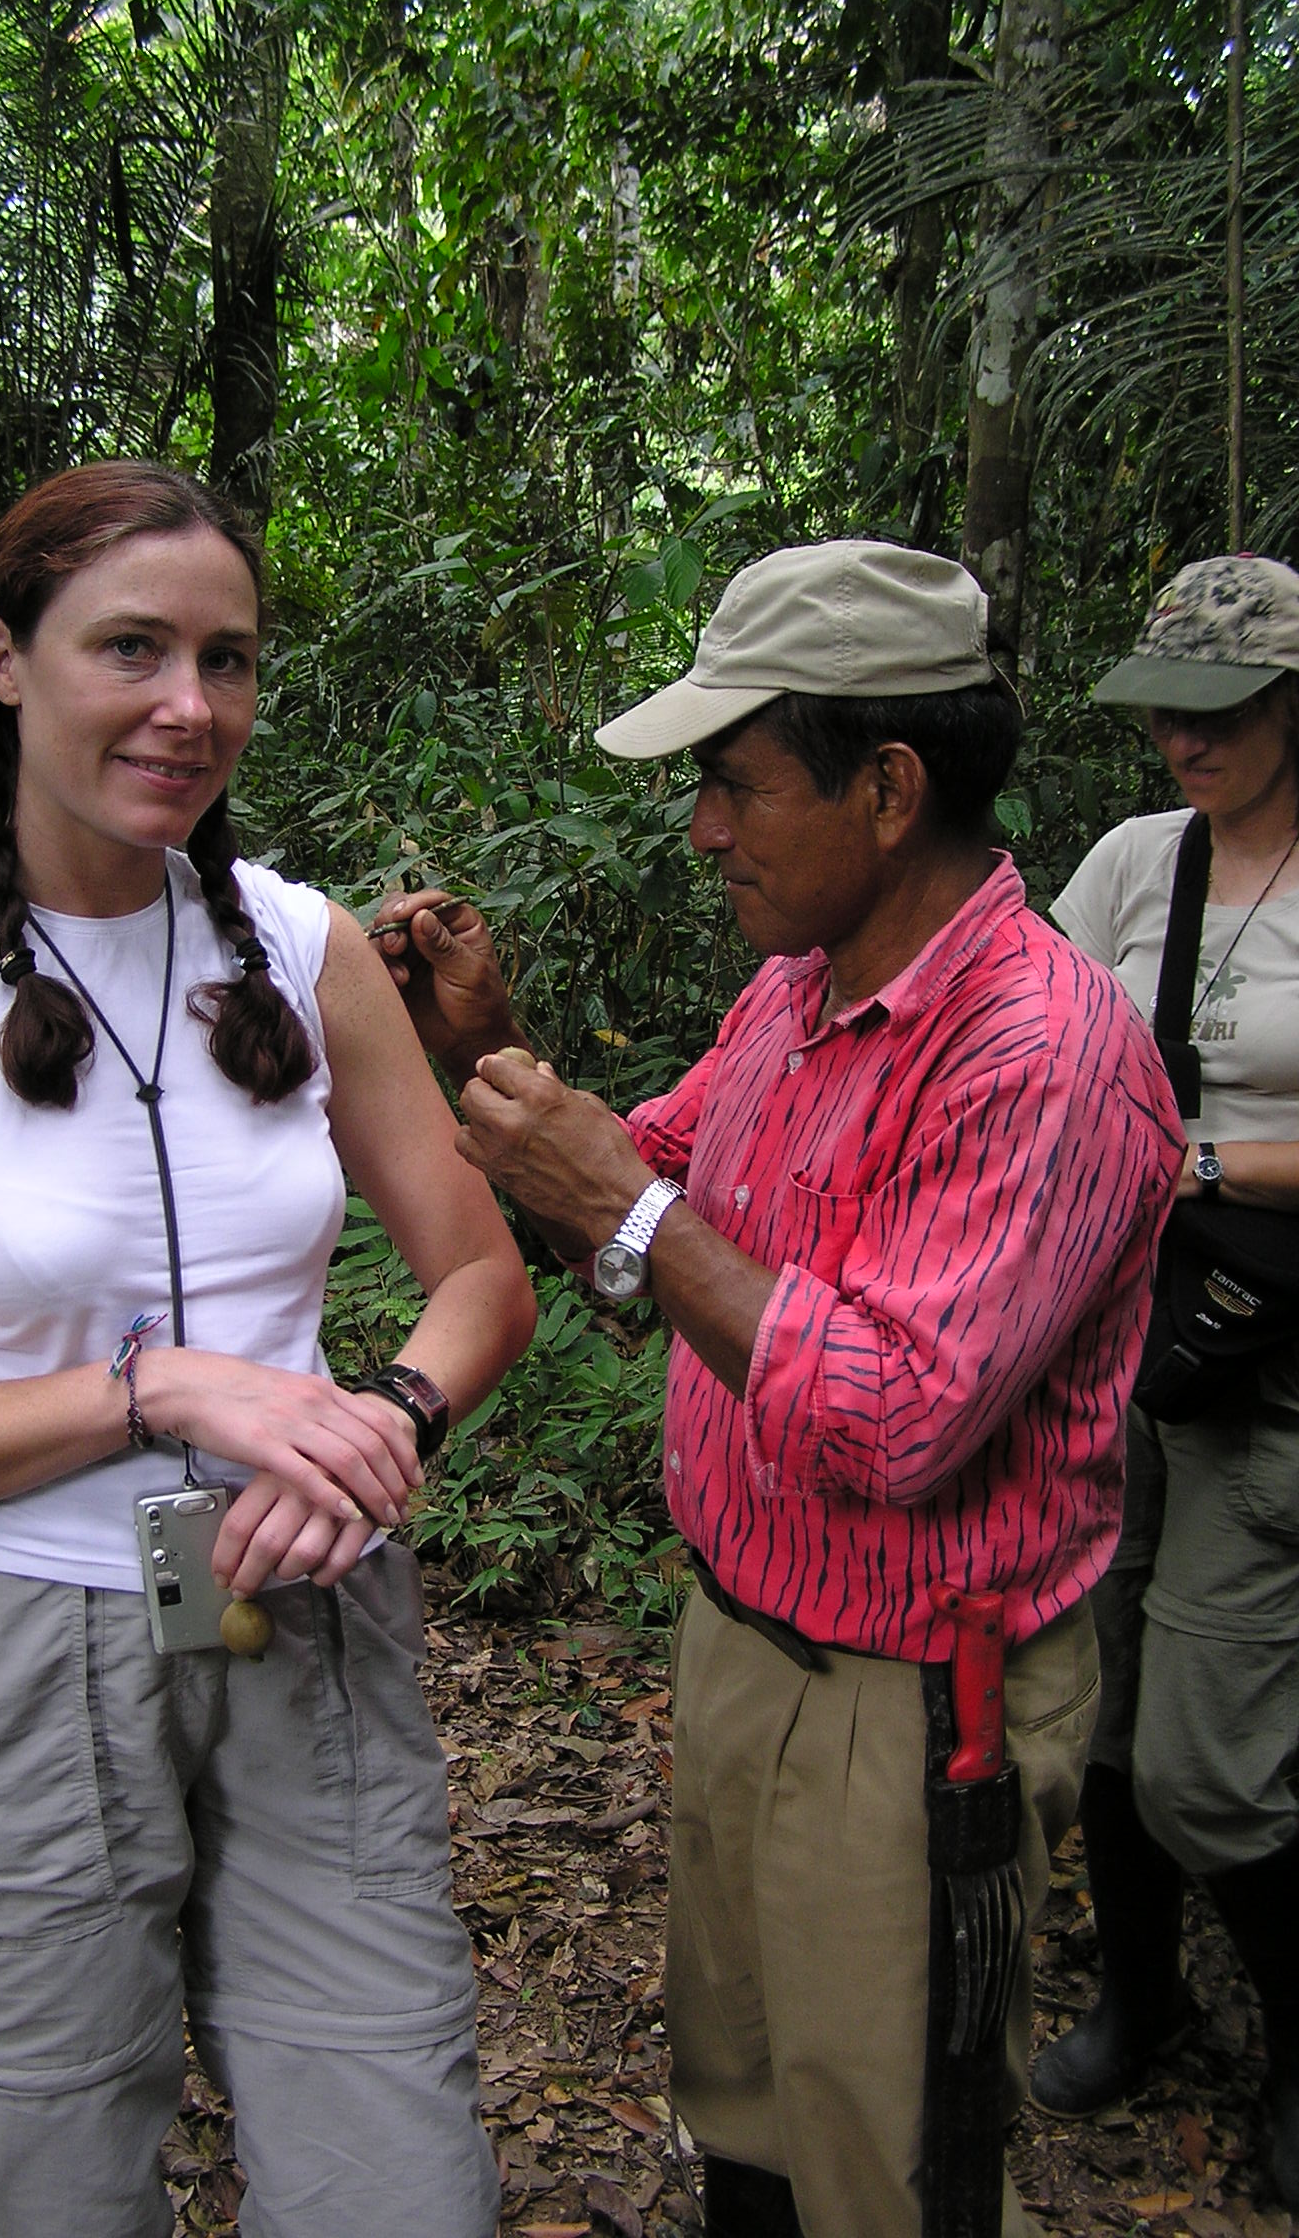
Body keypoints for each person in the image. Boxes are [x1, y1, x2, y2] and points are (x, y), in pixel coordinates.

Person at [0, 461, 535, 2238]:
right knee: (61, 2175)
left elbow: (483, 1277)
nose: (190, 706)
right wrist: (152, 1386)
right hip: (17, 1655)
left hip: (309, 1621)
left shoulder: (305, 949)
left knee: (398, 2177)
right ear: (3, 659)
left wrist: (390, 1416)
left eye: (225, 659)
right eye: (132, 649)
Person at [372, 540, 1183, 2238]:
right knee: (744, 2113)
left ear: (887, 789)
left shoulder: (1045, 1053)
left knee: (888, 2165)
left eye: (737, 786)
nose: (704, 831)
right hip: (750, 1644)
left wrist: (626, 1207)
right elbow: (655, 1201)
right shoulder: (798, 992)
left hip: (915, 1712)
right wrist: (483, 1054)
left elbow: (896, 1415)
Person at [1033, 556, 1299, 2208]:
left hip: (1270, 1352)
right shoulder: (1140, 861)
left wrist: (1197, 1161)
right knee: (1105, 1703)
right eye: (1164, 717)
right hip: (1128, 1336)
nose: (1183, 745)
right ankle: (1143, 1998)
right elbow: (1037, 1026)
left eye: (1220, 715)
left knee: (1212, 1756)